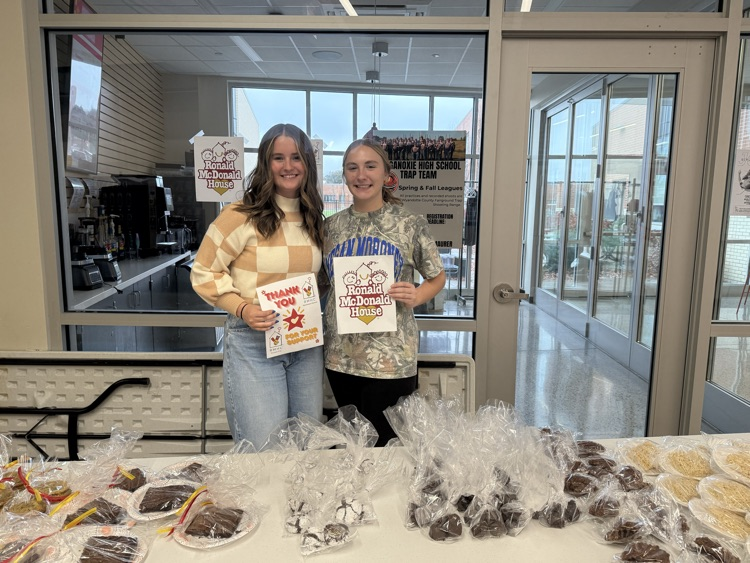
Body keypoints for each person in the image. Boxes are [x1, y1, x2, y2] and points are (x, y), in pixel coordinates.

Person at [191, 123, 325, 449]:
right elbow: (203, 272)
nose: (288, 166)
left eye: (296, 157)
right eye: (278, 157)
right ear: (265, 163)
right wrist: (243, 308)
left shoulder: (314, 216)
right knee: (265, 451)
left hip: (303, 343)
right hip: (254, 343)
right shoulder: (240, 214)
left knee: (307, 448)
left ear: (308, 162)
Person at [322, 139, 446, 446]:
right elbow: (325, 282)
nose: (361, 175)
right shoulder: (329, 227)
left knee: (389, 446)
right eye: (353, 167)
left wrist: (418, 295)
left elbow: (437, 276)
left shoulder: (409, 223)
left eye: (370, 166)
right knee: (352, 444)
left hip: (392, 358)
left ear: (386, 174)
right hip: (341, 356)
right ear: (345, 175)